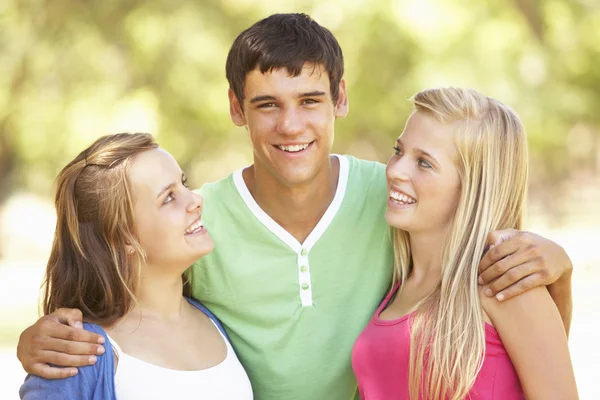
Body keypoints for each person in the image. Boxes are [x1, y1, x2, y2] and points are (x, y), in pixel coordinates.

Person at [17, 14, 574, 400]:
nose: (290, 126)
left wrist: (560, 264)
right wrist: (36, 340)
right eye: (267, 105)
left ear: (341, 99)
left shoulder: (393, 199)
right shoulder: (197, 223)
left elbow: (494, 282)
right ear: (236, 108)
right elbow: (119, 295)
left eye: (310, 101)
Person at [352, 88, 578, 399]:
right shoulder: (397, 283)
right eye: (398, 151)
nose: (394, 170)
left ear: (471, 188)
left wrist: (563, 271)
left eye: (424, 163)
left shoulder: (504, 284)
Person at [19, 133, 253, 399]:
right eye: (168, 198)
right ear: (122, 237)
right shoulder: (77, 352)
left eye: (184, 184)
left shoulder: (215, 321)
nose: (195, 200)